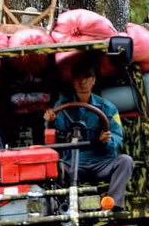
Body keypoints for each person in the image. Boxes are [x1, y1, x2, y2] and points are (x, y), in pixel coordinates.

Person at [43, 58, 133, 211]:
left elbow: (117, 136)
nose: (82, 82)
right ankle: (60, 205)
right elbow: (54, 131)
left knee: (125, 161)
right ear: (73, 82)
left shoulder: (107, 108)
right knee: (52, 166)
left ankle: (113, 203)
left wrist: (107, 140)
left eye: (87, 77)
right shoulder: (62, 106)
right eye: (78, 78)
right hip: (73, 164)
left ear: (93, 81)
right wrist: (50, 120)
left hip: (102, 162)